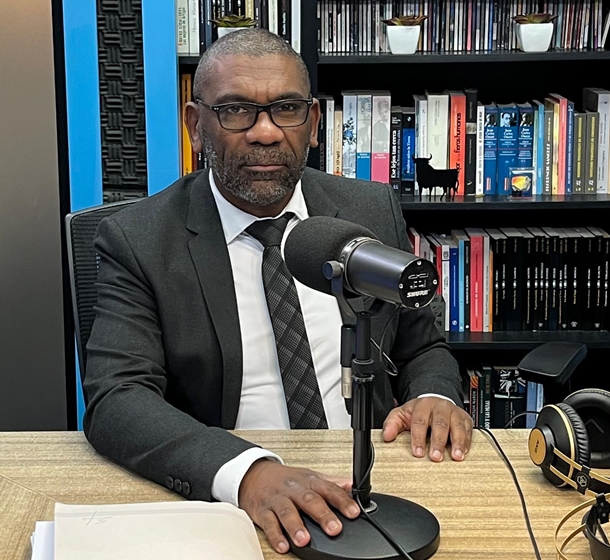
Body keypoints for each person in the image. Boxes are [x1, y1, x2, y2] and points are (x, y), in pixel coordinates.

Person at [81, 27, 473, 555]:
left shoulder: (369, 208)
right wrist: (246, 473)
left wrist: (434, 395)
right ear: (196, 125)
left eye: (286, 109)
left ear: (313, 123)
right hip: (231, 506)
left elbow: (422, 344)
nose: (265, 133)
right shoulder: (140, 240)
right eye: (236, 111)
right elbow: (117, 398)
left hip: (381, 480)